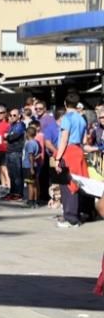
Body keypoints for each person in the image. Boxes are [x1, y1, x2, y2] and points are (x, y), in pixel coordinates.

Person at [54, 92, 89, 228]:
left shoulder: (66, 118)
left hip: (68, 151)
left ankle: (70, 218)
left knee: (67, 185)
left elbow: (64, 139)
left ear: (65, 103)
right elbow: (84, 140)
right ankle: (78, 213)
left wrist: (58, 158)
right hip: (79, 150)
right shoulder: (82, 119)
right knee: (78, 183)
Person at [3, 108, 26, 201]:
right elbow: (7, 136)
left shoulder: (20, 125)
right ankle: (12, 192)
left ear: (19, 116)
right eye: (10, 115)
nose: (11, 117)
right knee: (11, 174)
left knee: (17, 175)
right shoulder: (11, 125)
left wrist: (7, 136)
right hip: (9, 152)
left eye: (14, 115)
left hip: (16, 152)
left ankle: (18, 194)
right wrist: (8, 136)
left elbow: (12, 137)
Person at [23, 125, 42, 208]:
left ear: (27, 134)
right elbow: (38, 154)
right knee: (34, 184)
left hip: (29, 166)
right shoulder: (36, 143)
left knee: (30, 184)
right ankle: (36, 200)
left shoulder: (30, 143)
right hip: (34, 165)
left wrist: (31, 168)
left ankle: (31, 201)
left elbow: (31, 156)